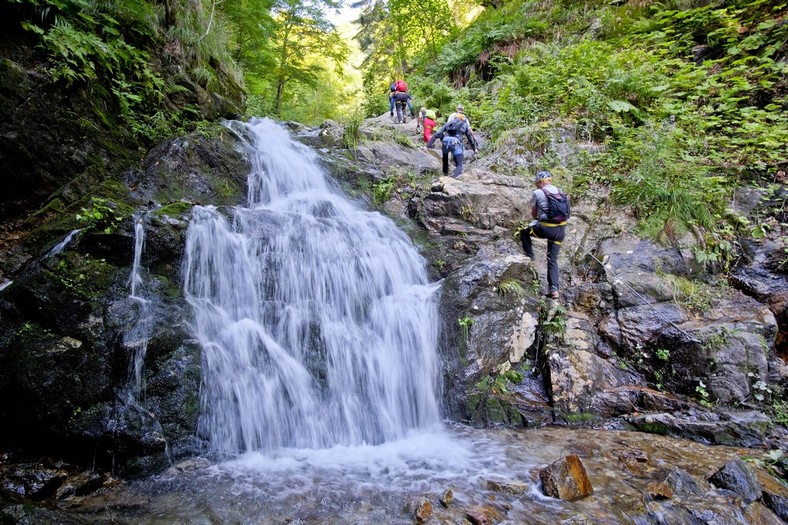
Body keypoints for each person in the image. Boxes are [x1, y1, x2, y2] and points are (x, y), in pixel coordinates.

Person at [519, 171, 569, 300]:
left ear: (541, 182)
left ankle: (530, 257)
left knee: (524, 232)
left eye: (537, 183)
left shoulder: (538, 193)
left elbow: (534, 215)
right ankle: (554, 290)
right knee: (552, 260)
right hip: (560, 231)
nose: (537, 186)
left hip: (546, 229)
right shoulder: (560, 191)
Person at [426, 112, 477, 177]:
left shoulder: (449, 123)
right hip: (455, 142)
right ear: (462, 119)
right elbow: (470, 137)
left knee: (445, 158)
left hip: (445, 141)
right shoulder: (464, 124)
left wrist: (428, 145)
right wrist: (474, 148)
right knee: (459, 164)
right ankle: (454, 178)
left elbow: (438, 134)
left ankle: (445, 174)